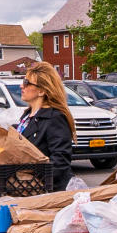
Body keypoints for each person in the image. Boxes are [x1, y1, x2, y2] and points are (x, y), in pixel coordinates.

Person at [16, 62, 77, 192]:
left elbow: (60, 161)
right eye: (23, 81)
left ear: (42, 91)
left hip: (47, 191)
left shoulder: (54, 117)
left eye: (27, 83)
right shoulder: (27, 116)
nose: (22, 85)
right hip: (24, 188)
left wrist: (32, 180)